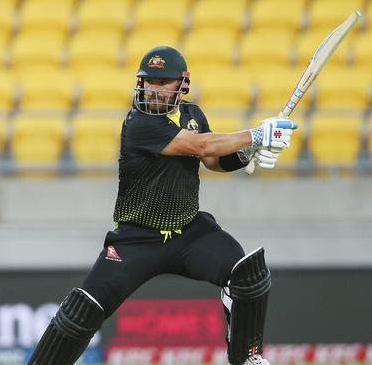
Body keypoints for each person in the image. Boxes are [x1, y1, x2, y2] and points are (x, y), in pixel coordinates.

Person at [29, 46, 295, 365]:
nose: (153, 89)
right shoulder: (139, 123)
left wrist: (248, 154)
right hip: (136, 239)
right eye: (148, 81)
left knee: (247, 274)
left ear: (181, 85)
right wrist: (257, 135)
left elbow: (212, 160)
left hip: (189, 232)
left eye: (162, 82)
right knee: (81, 311)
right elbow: (199, 145)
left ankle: (247, 358)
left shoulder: (193, 115)